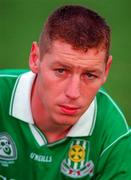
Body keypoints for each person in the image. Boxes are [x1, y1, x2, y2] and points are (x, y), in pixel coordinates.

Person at [0, 4, 131, 180]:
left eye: (90, 75)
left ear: (106, 70)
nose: (73, 93)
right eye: (61, 71)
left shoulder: (114, 135)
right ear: (35, 58)